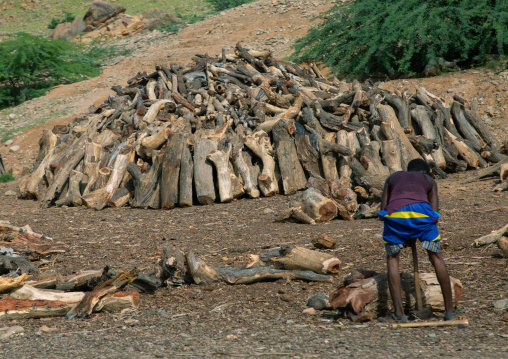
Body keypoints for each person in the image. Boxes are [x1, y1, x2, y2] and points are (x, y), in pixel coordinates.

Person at [378, 158, 460, 323]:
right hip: (422, 215)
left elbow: (382, 210)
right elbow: (434, 214)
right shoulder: (429, 180)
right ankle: (450, 311)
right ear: (425, 172)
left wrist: (405, 234)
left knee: (393, 259)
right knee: (436, 256)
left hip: (395, 215)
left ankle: (399, 314)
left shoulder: (392, 177)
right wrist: (415, 231)